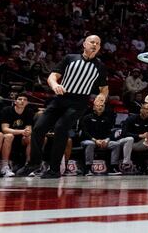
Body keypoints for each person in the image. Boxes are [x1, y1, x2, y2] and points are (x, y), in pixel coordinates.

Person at [17, 35, 108, 178]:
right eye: (92, 42)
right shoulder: (70, 58)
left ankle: (54, 170)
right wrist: (55, 85)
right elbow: (52, 76)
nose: (94, 45)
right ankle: (34, 163)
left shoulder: (100, 66)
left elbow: (104, 89)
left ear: (100, 47)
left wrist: (101, 97)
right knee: (39, 128)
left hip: (79, 102)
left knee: (61, 128)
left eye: (98, 43)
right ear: (84, 44)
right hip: (60, 98)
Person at [79, 96, 131, 176]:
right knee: (90, 144)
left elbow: (110, 133)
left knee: (116, 144)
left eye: (102, 106)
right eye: (98, 105)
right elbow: (84, 133)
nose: (100, 107)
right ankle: (88, 168)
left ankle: (113, 167)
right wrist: (95, 140)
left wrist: (106, 140)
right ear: (94, 107)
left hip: (103, 141)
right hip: (89, 140)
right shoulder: (87, 118)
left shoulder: (106, 119)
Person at [0, 93, 35, 177]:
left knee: (30, 137)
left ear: (27, 103)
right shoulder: (7, 110)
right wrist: (22, 131)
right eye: (20, 99)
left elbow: (28, 129)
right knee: (9, 136)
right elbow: (5, 129)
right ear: (15, 101)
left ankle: (28, 166)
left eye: (25, 100)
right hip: (8, 138)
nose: (22, 101)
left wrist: (27, 132)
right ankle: (5, 166)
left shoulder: (29, 112)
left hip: (22, 139)